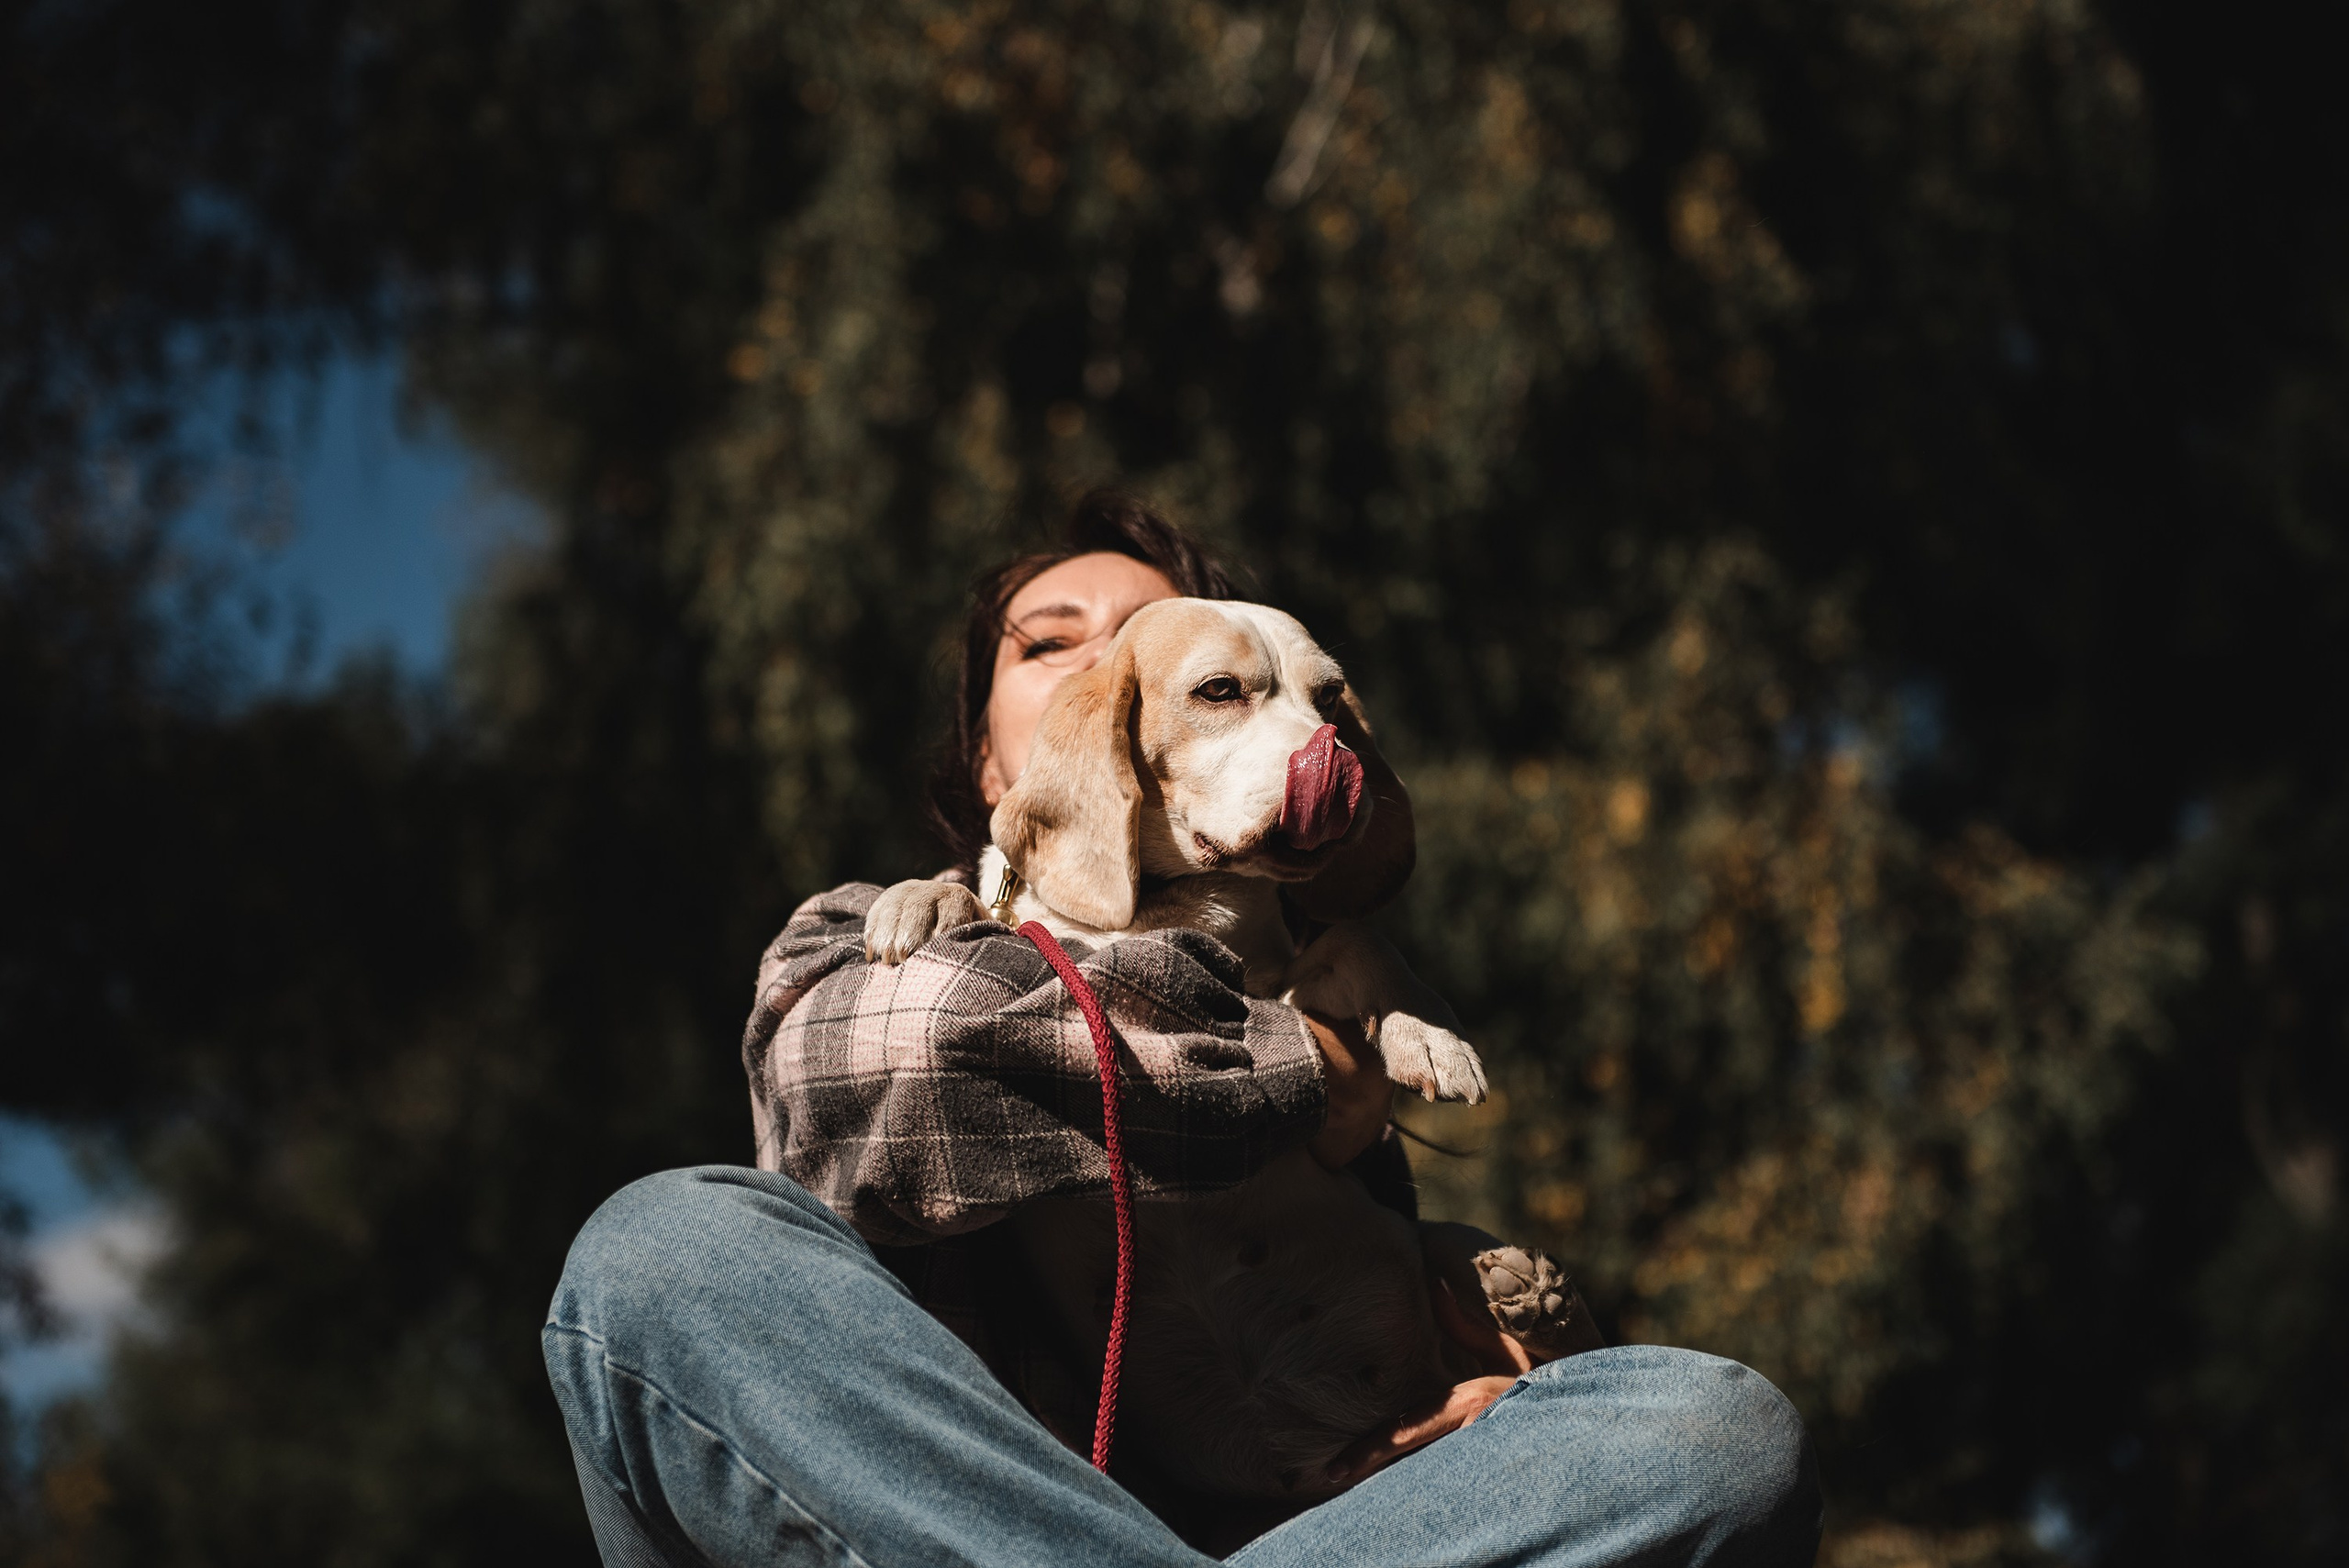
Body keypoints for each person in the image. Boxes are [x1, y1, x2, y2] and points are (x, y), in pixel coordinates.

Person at [542, 492, 1821, 1566]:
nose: (1098, 667)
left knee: (1717, 1431)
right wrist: (1309, 1065)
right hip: (955, 1508)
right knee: (659, 1248)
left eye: (1151, 642)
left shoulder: (1341, 971)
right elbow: (918, 1071)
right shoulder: (858, 931)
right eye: (1050, 646)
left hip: (1322, 1523)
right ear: (987, 761)